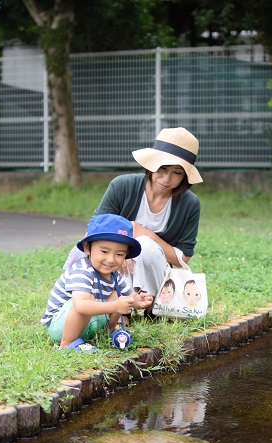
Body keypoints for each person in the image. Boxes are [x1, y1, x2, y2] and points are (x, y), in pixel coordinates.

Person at [65, 127, 203, 305]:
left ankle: (149, 306)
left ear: (184, 176)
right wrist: (120, 252)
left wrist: (147, 235)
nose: (167, 179)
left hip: (155, 273)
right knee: (83, 250)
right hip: (114, 265)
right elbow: (93, 231)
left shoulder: (189, 203)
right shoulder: (122, 185)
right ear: (152, 164)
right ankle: (92, 299)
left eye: (177, 172)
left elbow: (183, 258)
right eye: (163, 168)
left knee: (145, 245)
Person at [41, 214, 154, 352]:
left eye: (119, 254)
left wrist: (139, 301)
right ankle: (67, 344)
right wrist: (115, 306)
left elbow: (130, 297)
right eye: (104, 251)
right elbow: (81, 306)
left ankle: (107, 334)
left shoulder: (114, 275)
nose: (111, 259)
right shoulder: (82, 270)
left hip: (86, 323)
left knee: (118, 295)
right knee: (89, 299)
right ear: (87, 248)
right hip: (60, 326)